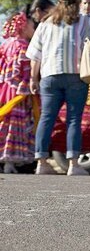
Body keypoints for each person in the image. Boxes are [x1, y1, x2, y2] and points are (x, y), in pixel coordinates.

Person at [27, 0, 90, 175]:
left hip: (50, 76)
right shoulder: (85, 21)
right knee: (74, 119)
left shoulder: (45, 23)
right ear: (77, 3)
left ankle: (42, 163)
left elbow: (35, 54)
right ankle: (73, 165)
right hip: (76, 76)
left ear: (58, 3)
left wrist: (33, 78)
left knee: (47, 117)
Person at [0, 11, 37, 173]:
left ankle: (7, 161)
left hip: (4, 89)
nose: (33, 28)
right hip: (18, 91)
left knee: (4, 122)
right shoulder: (23, 47)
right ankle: (9, 162)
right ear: (23, 27)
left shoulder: (5, 45)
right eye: (31, 25)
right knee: (15, 122)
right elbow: (24, 71)